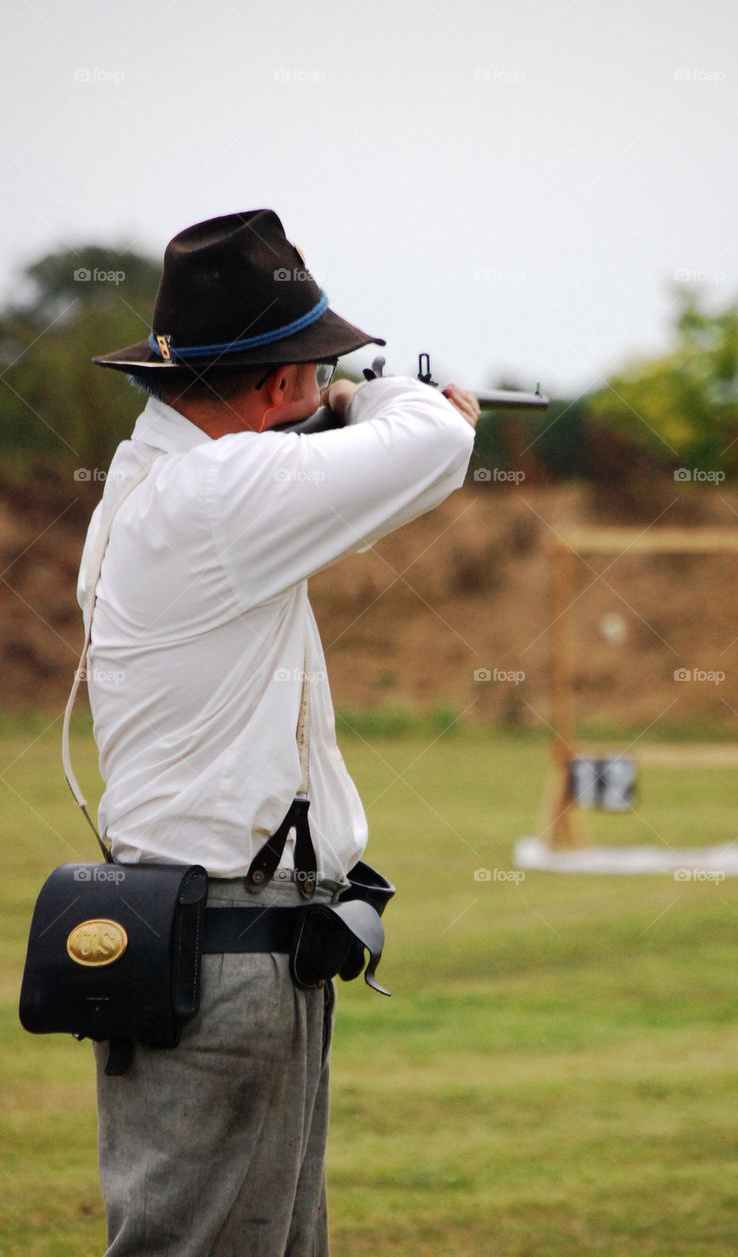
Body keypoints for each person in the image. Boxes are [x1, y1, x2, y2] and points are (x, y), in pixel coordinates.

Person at [80, 208, 478, 1255]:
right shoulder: (215, 488)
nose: (319, 381)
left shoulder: (165, 478)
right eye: (310, 365)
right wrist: (393, 392)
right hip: (224, 950)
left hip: (232, 939)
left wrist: (332, 399)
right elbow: (437, 441)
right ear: (273, 386)